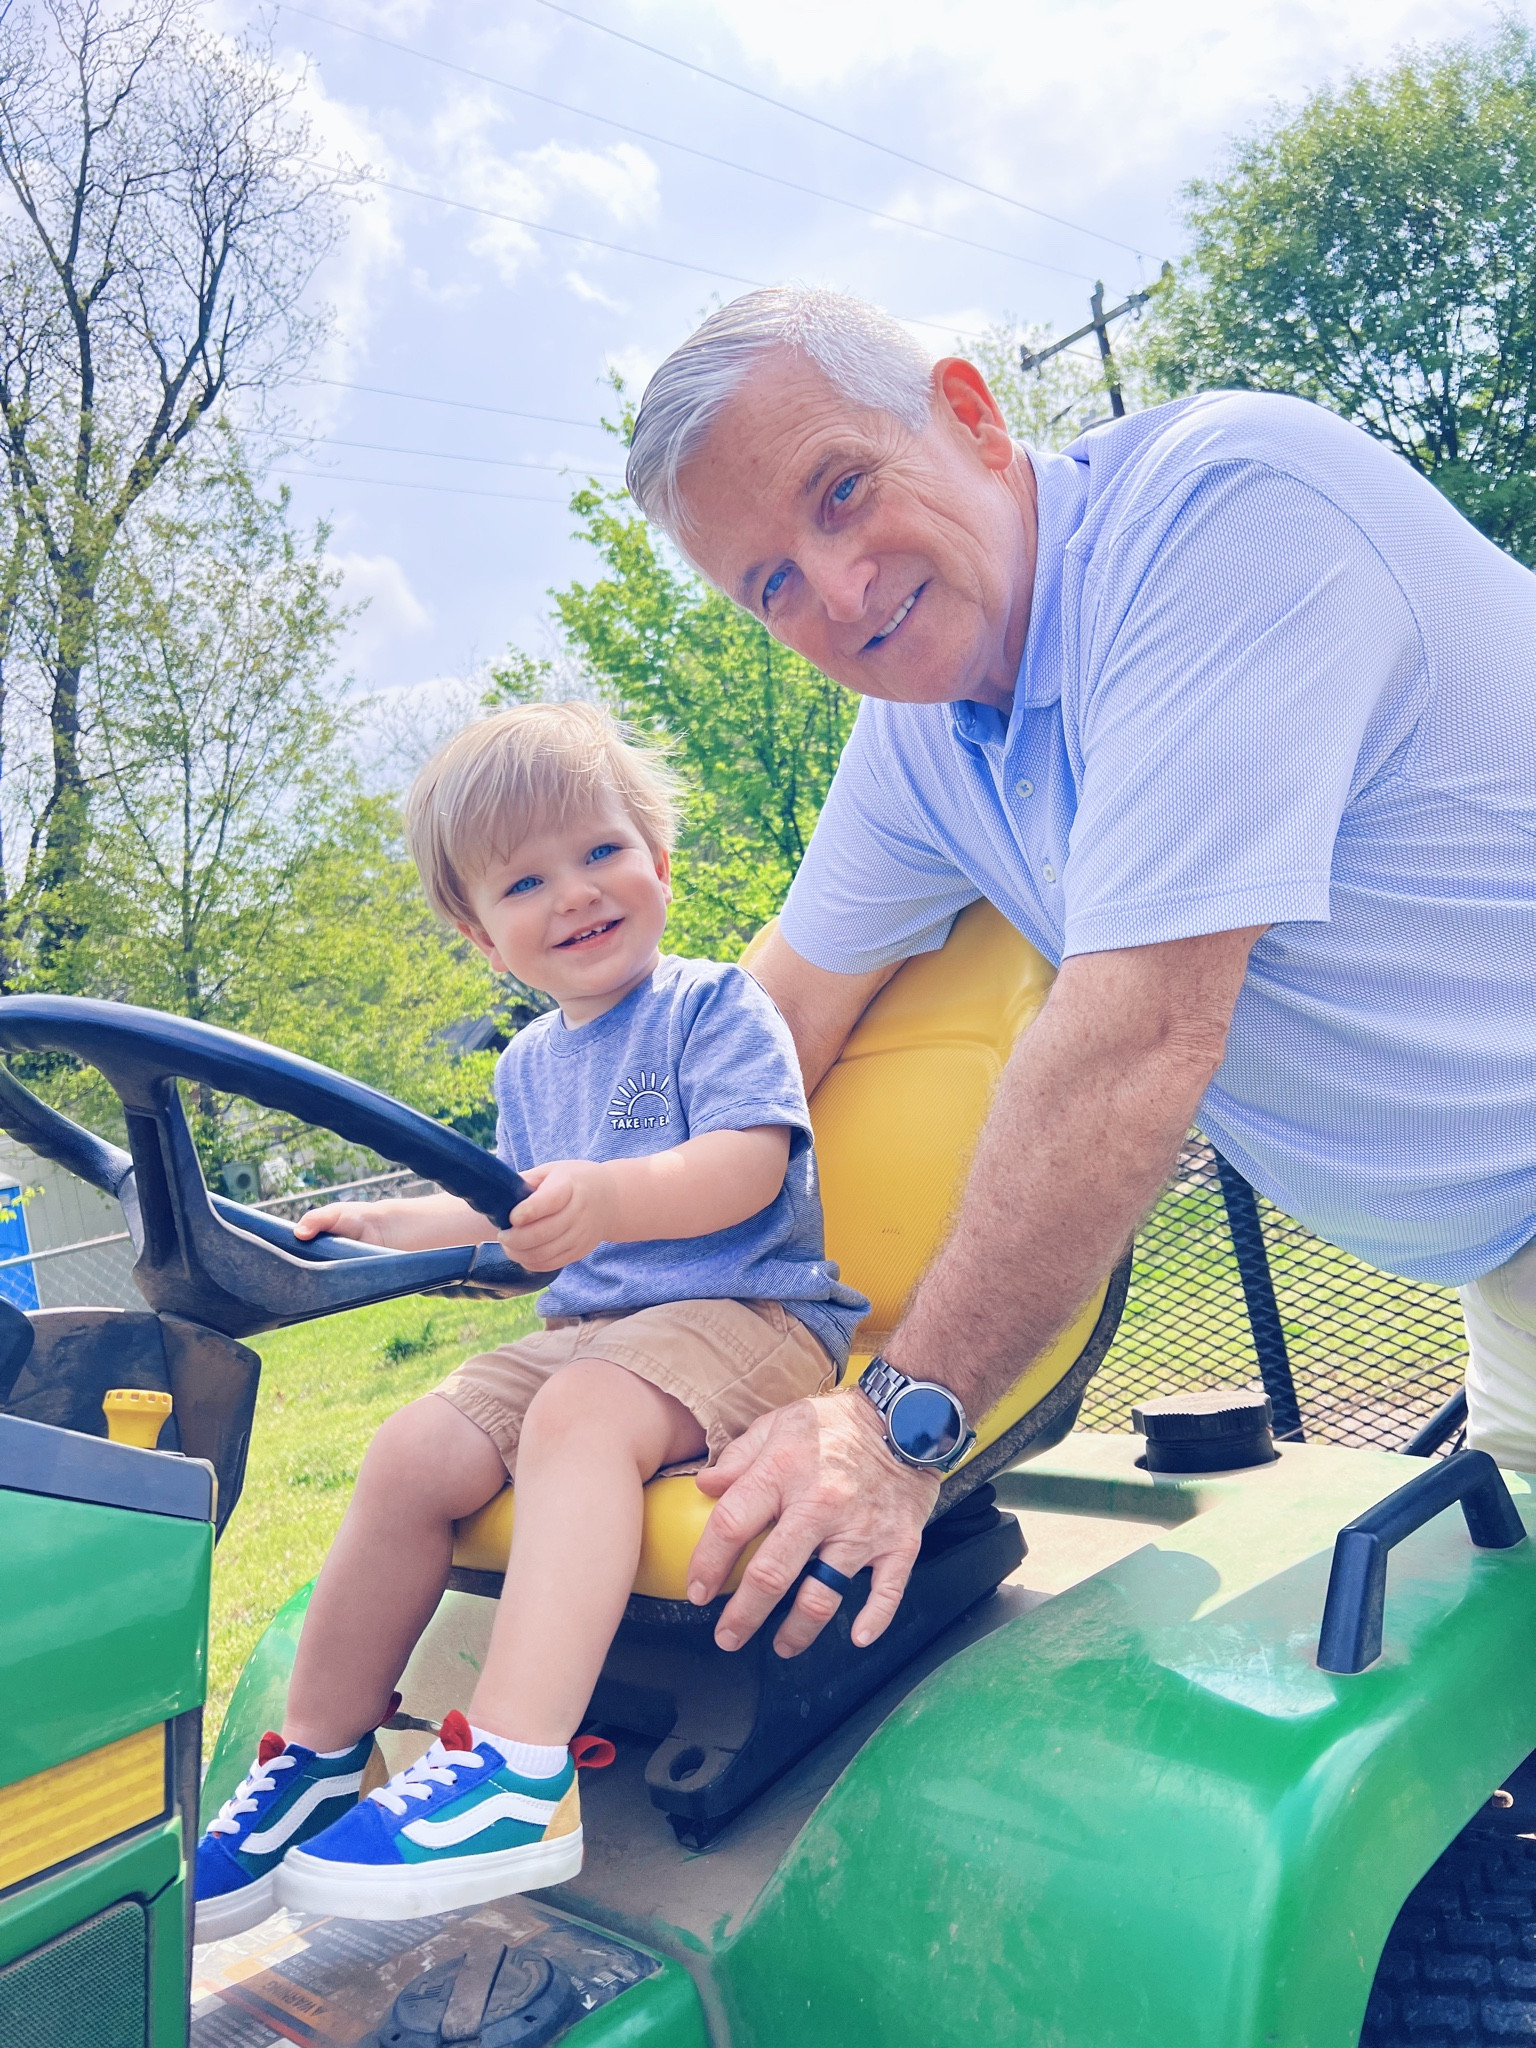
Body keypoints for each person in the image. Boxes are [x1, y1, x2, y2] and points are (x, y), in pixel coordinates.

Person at [614, 286, 1536, 1667]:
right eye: (772, 584)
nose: (841, 589)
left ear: (975, 418)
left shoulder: (1225, 521)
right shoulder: (925, 734)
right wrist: (534, 1203)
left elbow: (1140, 1038)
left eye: (845, 491)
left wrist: (895, 1425)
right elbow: (774, 1021)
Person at [193, 702, 866, 1938]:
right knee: (412, 1450)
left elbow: (752, 1168)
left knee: (577, 1412)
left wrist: (606, 1200)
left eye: (601, 851)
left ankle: (516, 1767)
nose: (576, 893)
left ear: (658, 860)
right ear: (482, 934)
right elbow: (508, 1214)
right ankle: (323, 1755)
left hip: (750, 1310)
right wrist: (394, 1225)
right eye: (526, 879)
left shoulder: (714, 1006)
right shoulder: (527, 1066)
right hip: (599, 1335)